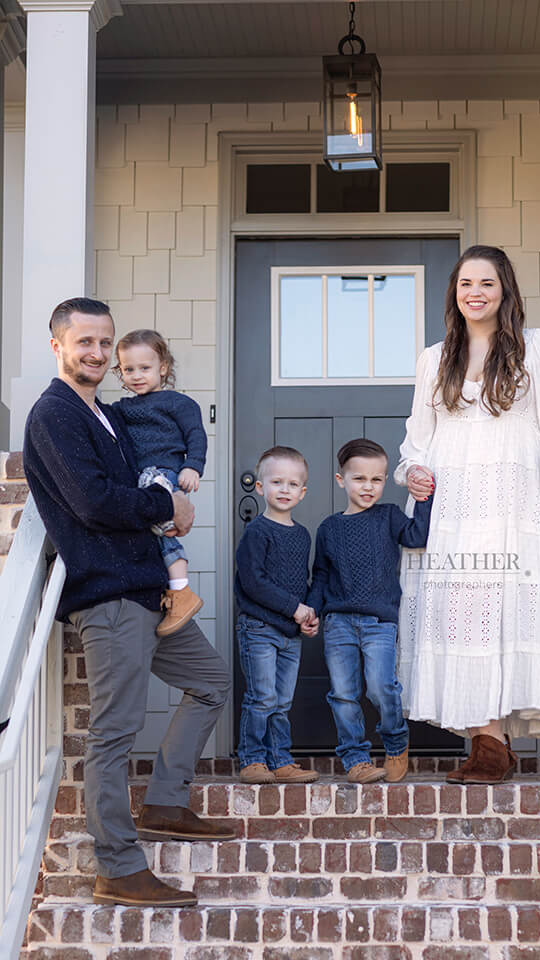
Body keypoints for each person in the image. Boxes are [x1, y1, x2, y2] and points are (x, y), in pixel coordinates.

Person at [23, 298, 233, 909]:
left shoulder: (108, 415)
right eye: (82, 342)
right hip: (110, 596)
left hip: (148, 590)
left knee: (212, 681)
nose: (94, 353)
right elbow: (92, 502)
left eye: (102, 343)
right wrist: (169, 507)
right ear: (58, 345)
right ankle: (118, 865)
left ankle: (166, 800)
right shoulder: (56, 413)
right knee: (114, 733)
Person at [395, 245, 540, 785]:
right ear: (453, 294)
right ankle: (487, 742)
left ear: (504, 289)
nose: (474, 293)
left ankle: (494, 743)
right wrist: (411, 472)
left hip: (508, 502)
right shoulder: (434, 359)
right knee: (461, 615)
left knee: (502, 610)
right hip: (452, 504)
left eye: (485, 283)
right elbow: (417, 444)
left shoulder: (535, 349)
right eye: (465, 284)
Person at [307, 438, 433, 784]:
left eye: (376, 480)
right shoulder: (329, 528)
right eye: (359, 478)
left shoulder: (389, 516)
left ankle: (396, 743)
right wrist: (311, 610)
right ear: (340, 480)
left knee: (381, 688)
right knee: (344, 694)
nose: (368, 487)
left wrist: (424, 498)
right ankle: (356, 759)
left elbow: (417, 536)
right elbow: (320, 575)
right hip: (338, 624)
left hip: (379, 622)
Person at [112, 329, 206, 637]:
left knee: (160, 529)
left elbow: (196, 436)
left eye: (145, 368)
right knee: (154, 532)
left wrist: (193, 466)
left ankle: (182, 590)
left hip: (165, 473)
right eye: (128, 369)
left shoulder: (178, 403)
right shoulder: (122, 409)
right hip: (142, 481)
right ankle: (176, 590)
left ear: (163, 367)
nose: (137, 375)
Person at [235, 446, 319, 785]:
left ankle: (280, 759)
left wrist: (308, 614)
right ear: (260, 487)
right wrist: (293, 608)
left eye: (292, 484)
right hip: (259, 628)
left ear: (302, 492)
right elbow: (254, 583)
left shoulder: (301, 534)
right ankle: (252, 759)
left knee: (282, 701)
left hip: (290, 633)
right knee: (263, 696)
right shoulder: (257, 532)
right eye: (276, 482)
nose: (284, 490)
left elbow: (304, 581)